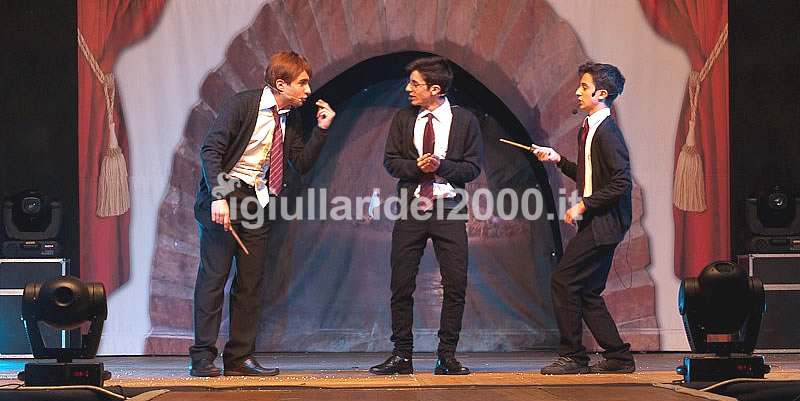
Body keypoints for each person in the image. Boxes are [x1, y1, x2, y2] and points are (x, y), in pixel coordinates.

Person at [189, 51, 335, 377]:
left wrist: (322, 130)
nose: (308, 90)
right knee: (214, 278)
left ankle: (239, 358)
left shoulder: (291, 118)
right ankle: (202, 357)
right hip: (226, 192)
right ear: (281, 84)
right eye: (302, 83)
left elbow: (301, 162)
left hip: (257, 200)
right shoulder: (243, 105)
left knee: (251, 283)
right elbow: (211, 150)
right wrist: (219, 196)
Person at [369, 56, 483, 376]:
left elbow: (472, 167)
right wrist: (417, 167)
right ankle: (401, 355)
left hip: (449, 207)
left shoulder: (464, 121)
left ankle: (446, 356)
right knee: (402, 282)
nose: (408, 89)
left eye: (415, 84)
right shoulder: (405, 118)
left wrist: (441, 166)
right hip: (412, 206)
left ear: (435, 89)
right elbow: (392, 161)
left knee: (455, 283)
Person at [532, 62, 635, 374]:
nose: (578, 92)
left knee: (563, 281)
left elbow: (621, 182)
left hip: (606, 222)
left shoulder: (607, 133)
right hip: (597, 220)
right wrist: (558, 160)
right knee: (587, 291)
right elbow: (591, 177)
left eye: (585, 87)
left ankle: (574, 357)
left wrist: (583, 206)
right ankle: (619, 356)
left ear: (601, 94)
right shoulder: (588, 128)